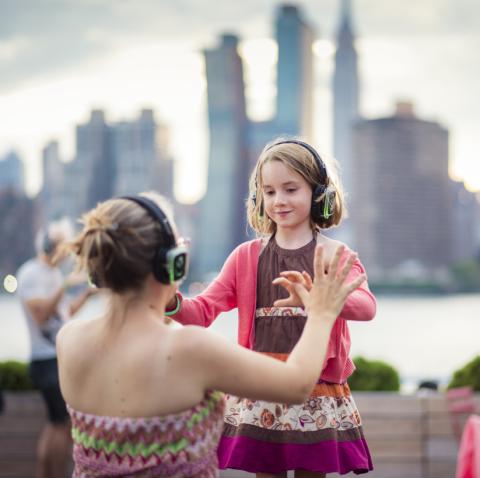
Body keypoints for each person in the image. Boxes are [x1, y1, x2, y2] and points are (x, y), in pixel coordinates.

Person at [55, 192, 365, 478]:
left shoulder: (68, 340)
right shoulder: (192, 349)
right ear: (173, 264)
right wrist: (322, 312)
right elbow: (297, 385)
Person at [168, 139, 377, 477]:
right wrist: (169, 299)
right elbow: (200, 313)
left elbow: (366, 307)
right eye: (269, 191)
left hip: (317, 389)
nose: (279, 200)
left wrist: (320, 300)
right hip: (261, 386)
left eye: (291, 189)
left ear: (318, 193)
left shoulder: (335, 254)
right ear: (258, 198)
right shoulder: (245, 257)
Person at [16, 221, 97, 478]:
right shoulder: (30, 272)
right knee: (61, 426)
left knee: (56, 424)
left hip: (56, 358)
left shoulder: (51, 274)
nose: (65, 251)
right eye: (62, 244)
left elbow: (62, 315)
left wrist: (85, 295)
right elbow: (40, 316)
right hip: (45, 359)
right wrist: (63, 285)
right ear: (49, 245)